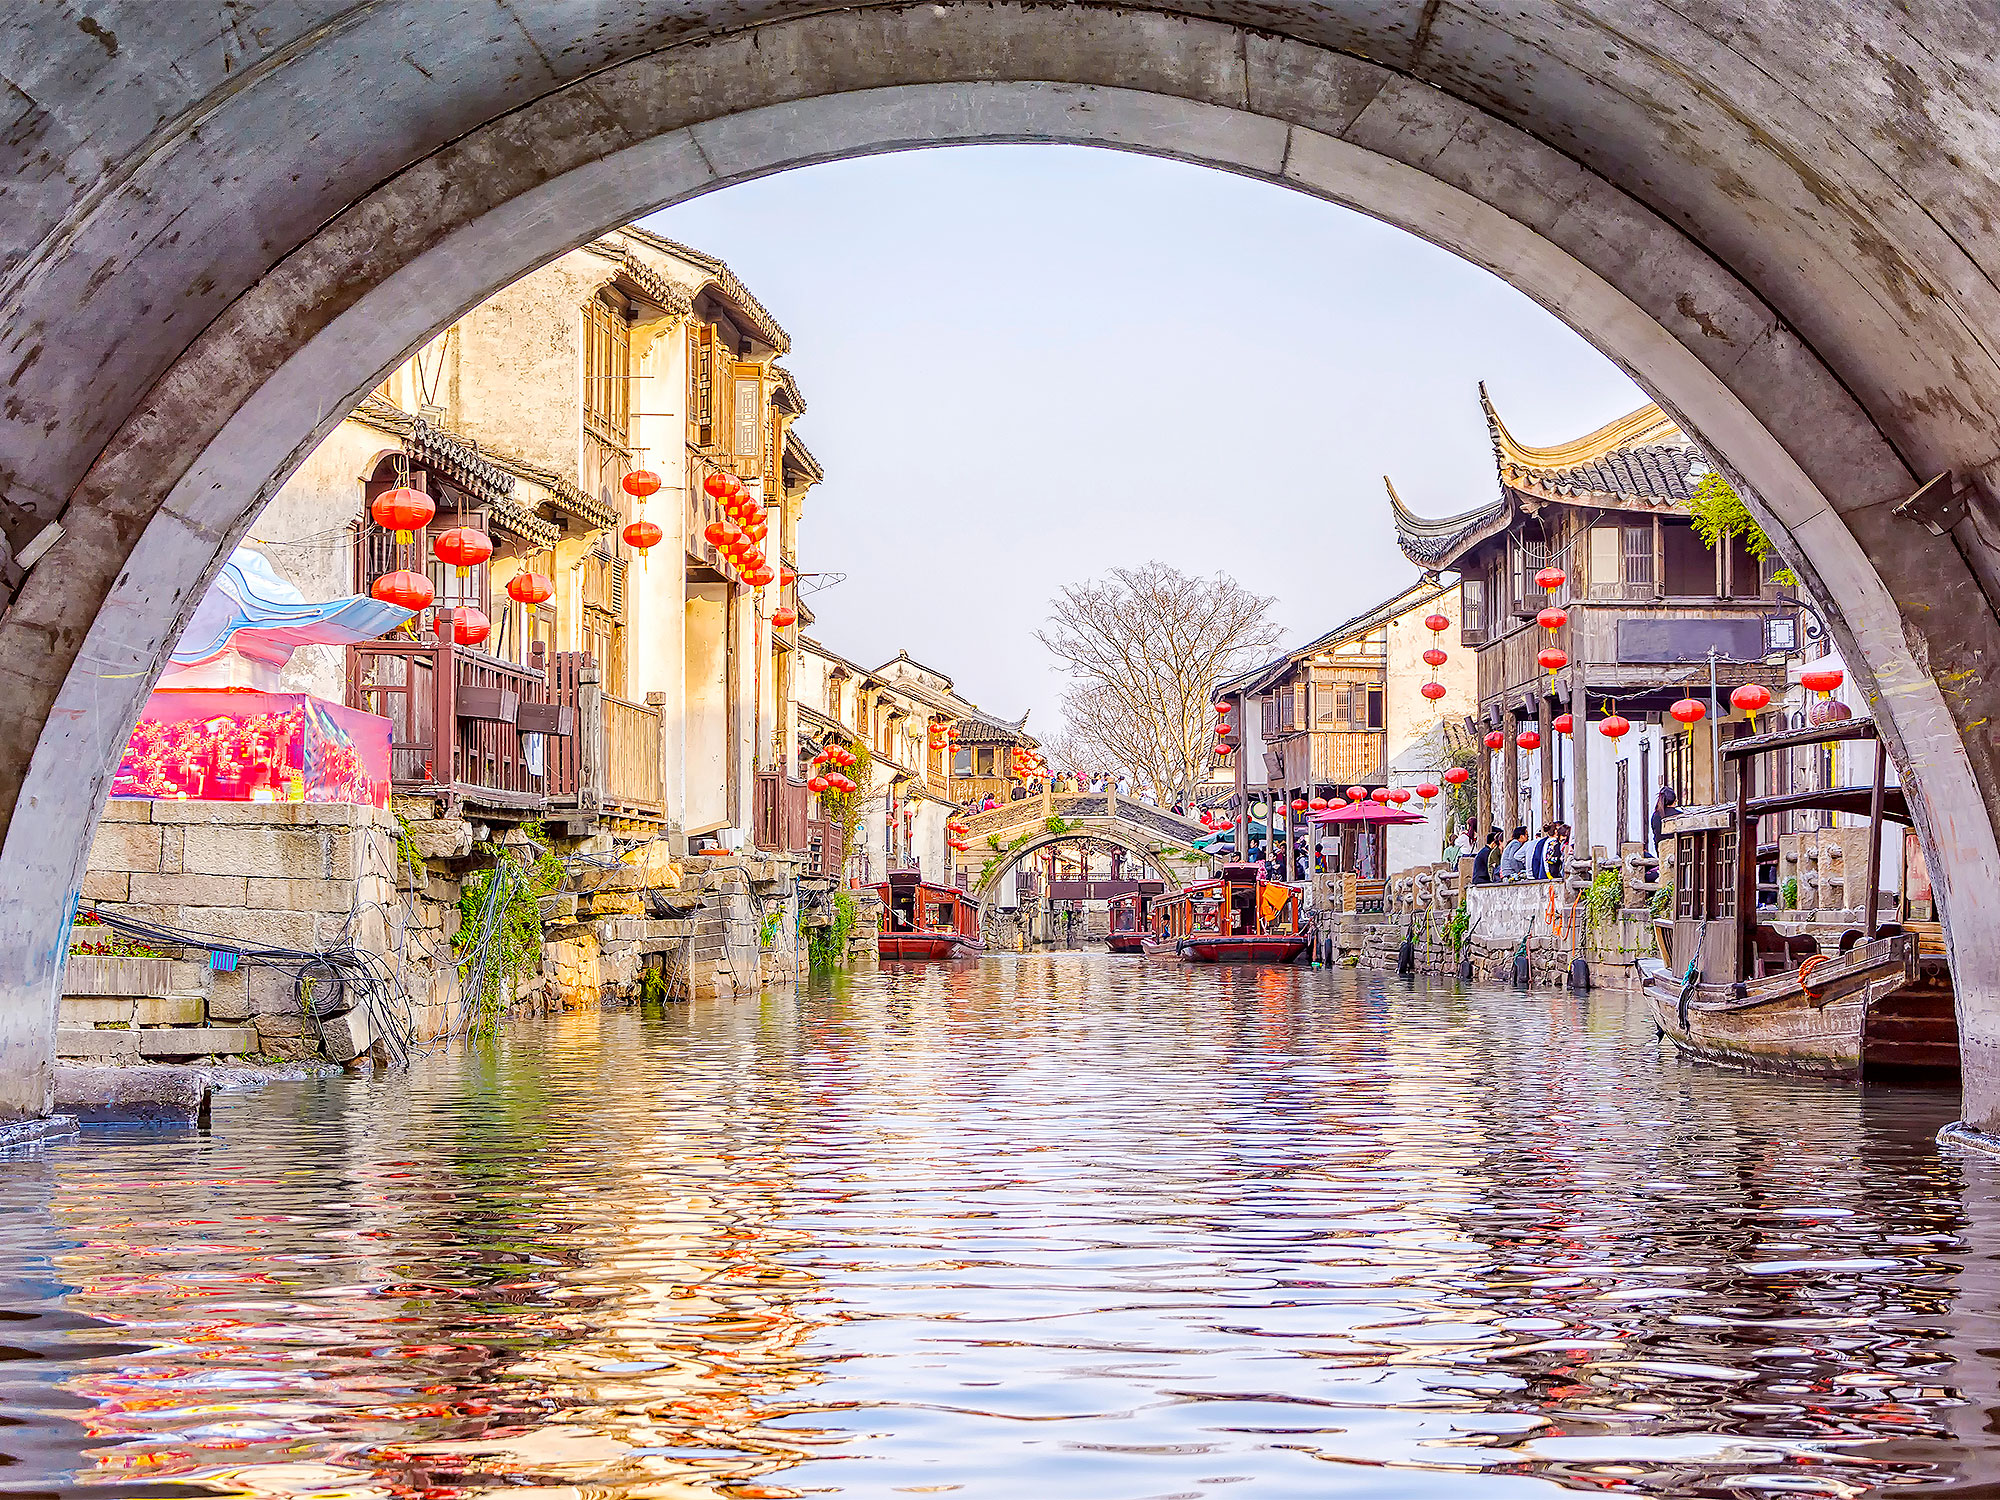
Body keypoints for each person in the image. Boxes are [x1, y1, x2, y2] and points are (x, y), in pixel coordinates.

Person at [1650, 786, 1679, 853]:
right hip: (1678, 852)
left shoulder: (1656, 816)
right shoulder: (1679, 815)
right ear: (1674, 801)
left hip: (1662, 852)